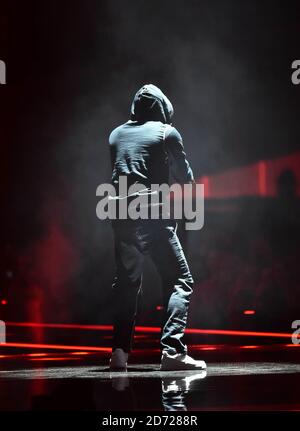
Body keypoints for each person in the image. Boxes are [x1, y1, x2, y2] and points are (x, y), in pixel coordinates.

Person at [108, 84, 206, 371]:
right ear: (163, 107)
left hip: (119, 212)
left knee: (126, 284)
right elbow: (186, 179)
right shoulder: (166, 133)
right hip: (151, 212)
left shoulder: (115, 134)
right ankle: (173, 352)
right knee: (180, 280)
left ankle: (119, 353)